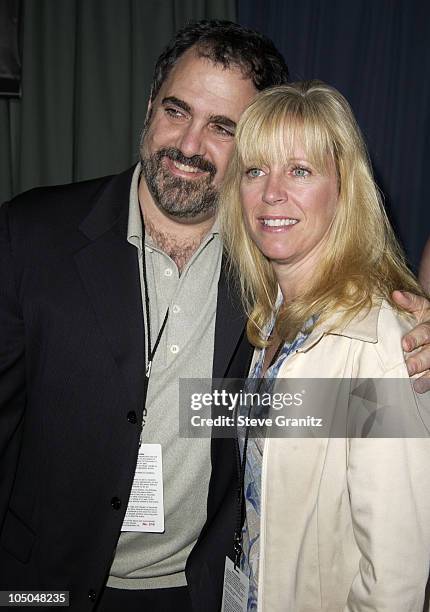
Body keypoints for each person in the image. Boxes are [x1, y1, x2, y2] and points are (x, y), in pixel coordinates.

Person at [0, 19, 429, 612]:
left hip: (193, 593)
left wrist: (406, 357)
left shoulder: (270, 266)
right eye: (176, 110)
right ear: (150, 105)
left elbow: (337, 420)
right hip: (41, 588)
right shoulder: (30, 236)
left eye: (223, 128)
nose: (190, 144)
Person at [219, 81, 430, 611]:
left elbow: (395, 580)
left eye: (300, 170)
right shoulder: (267, 321)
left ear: (344, 188)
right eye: (255, 170)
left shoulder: (377, 341)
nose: (271, 193)